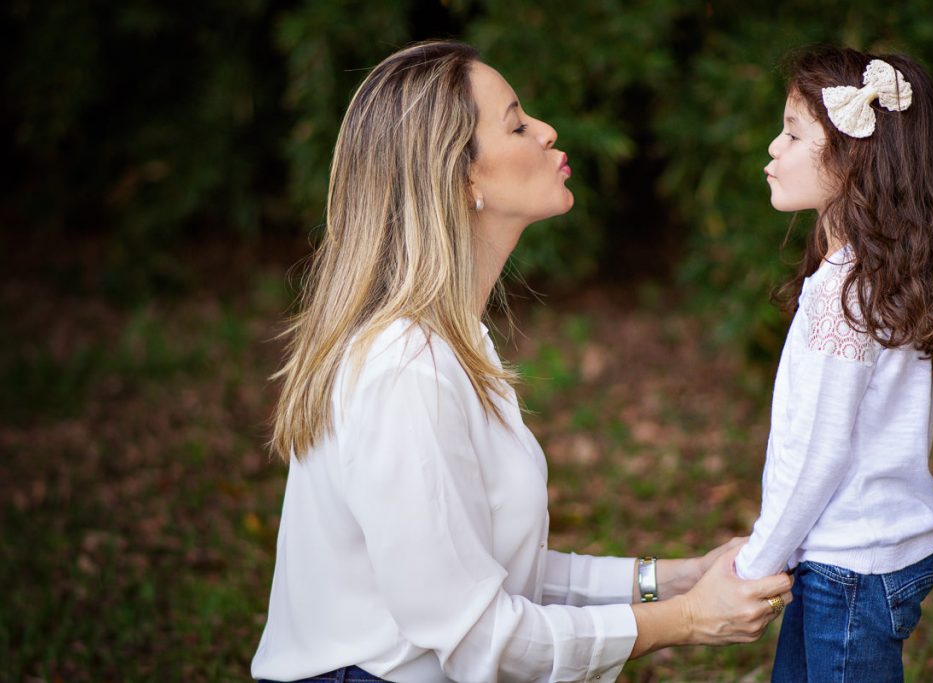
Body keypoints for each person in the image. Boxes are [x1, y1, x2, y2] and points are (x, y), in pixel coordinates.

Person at [251, 41, 793, 683]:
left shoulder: (449, 339)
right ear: (462, 177)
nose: (546, 131)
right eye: (516, 123)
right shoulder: (404, 369)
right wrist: (687, 620)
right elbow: (480, 639)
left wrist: (673, 579)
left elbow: (495, 572)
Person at [734, 45, 933, 682]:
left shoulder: (843, 291)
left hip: (846, 571)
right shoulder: (885, 276)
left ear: (854, 159)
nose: (773, 148)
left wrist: (756, 563)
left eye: (793, 134)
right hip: (868, 558)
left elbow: (817, 449)